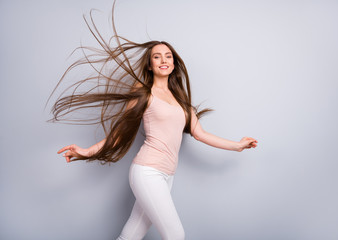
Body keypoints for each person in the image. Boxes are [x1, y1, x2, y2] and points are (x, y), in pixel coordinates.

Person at [48, 3, 258, 240]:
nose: (163, 60)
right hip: (147, 171)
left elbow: (201, 134)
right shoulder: (143, 92)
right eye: (157, 57)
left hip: (167, 175)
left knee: (132, 234)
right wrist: (87, 152)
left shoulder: (183, 103)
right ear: (150, 64)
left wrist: (237, 145)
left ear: (174, 63)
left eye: (168, 56)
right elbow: (120, 131)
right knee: (176, 235)